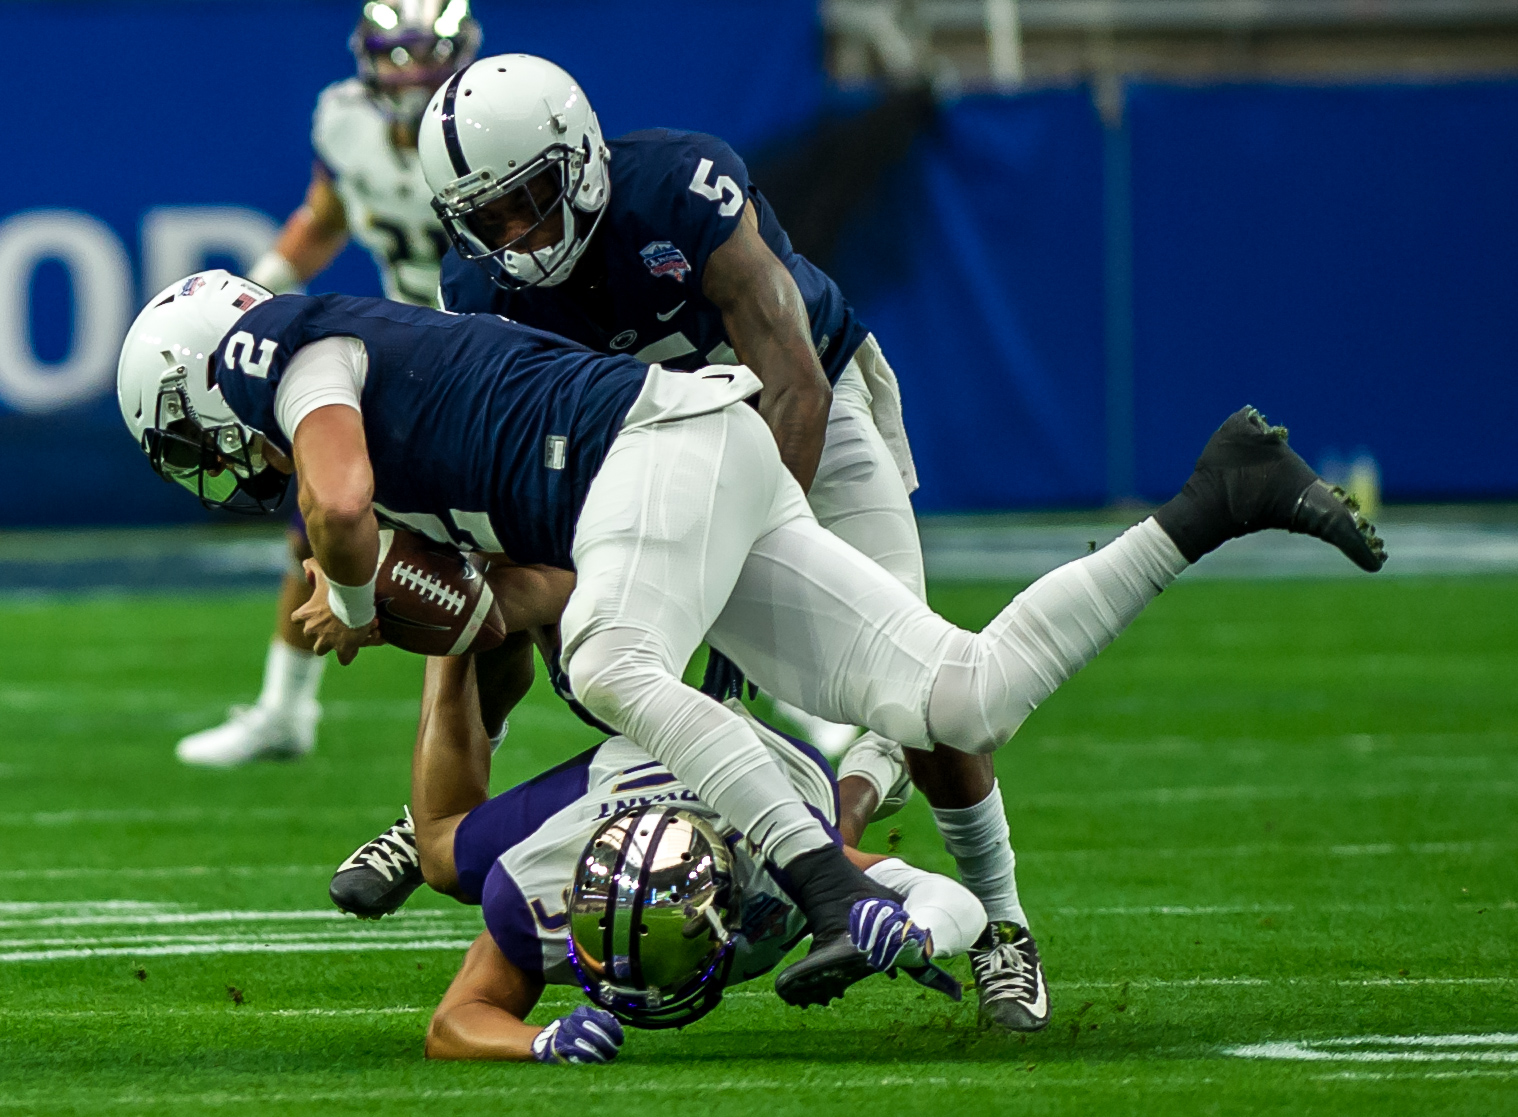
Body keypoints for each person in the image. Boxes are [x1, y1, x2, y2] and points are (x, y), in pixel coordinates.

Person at [113, 271, 1385, 1009]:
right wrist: (402, 600)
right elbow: (496, 593)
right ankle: (1221, 496)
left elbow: (338, 505)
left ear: (196, 376)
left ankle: (832, 889)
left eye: (184, 434)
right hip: (691, 457)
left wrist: (348, 599)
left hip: (649, 451)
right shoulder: (385, 392)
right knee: (958, 697)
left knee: (613, 663)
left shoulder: (280, 351)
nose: (208, 460)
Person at [415, 53, 1048, 1029]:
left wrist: (717, 581)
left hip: (805, 419)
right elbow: (520, 478)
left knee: (929, 696)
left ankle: (1003, 924)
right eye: (486, 219)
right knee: (581, 649)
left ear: (580, 160)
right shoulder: (479, 289)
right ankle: (830, 851)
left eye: (529, 201)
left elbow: (795, 381)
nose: (515, 238)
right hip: (647, 457)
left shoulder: (680, 192)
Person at [173, 0, 481, 768]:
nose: (412, 73)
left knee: (516, 548)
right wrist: (255, 291)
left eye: (426, 53)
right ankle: (284, 710)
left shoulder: (486, 123)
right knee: (315, 513)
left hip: (492, 352)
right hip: (405, 346)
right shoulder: (344, 122)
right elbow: (327, 214)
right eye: (397, 55)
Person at [409, 651, 983, 1063]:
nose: (647, 985)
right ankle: (451, 642)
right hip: (629, 772)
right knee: (441, 856)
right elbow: (453, 1021)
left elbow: (950, 898)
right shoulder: (536, 890)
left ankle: (875, 766)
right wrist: (537, 1041)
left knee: (825, 855)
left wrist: (916, 936)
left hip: (768, 770)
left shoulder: (765, 859)